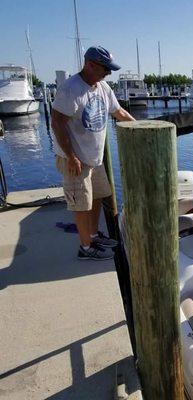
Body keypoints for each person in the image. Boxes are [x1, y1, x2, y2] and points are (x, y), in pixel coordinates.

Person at [51, 46, 135, 261]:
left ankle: (93, 235)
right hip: (76, 159)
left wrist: (141, 126)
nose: (108, 73)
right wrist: (70, 156)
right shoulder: (70, 89)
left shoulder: (104, 88)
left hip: (95, 158)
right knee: (81, 205)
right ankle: (85, 248)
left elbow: (118, 112)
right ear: (89, 64)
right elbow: (58, 123)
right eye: (105, 68)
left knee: (97, 197)